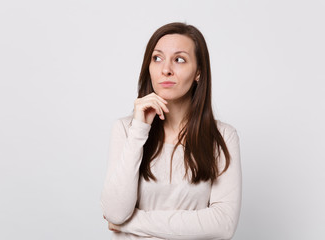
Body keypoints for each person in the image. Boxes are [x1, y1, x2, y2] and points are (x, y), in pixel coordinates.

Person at [101, 22, 242, 240]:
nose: (165, 69)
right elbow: (115, 212)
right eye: (157, 58)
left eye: (179, 59)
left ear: (198, 73)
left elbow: (223, 224)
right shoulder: (126, 129)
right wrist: (140, 129)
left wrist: (131, 223)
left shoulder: (223, 137)